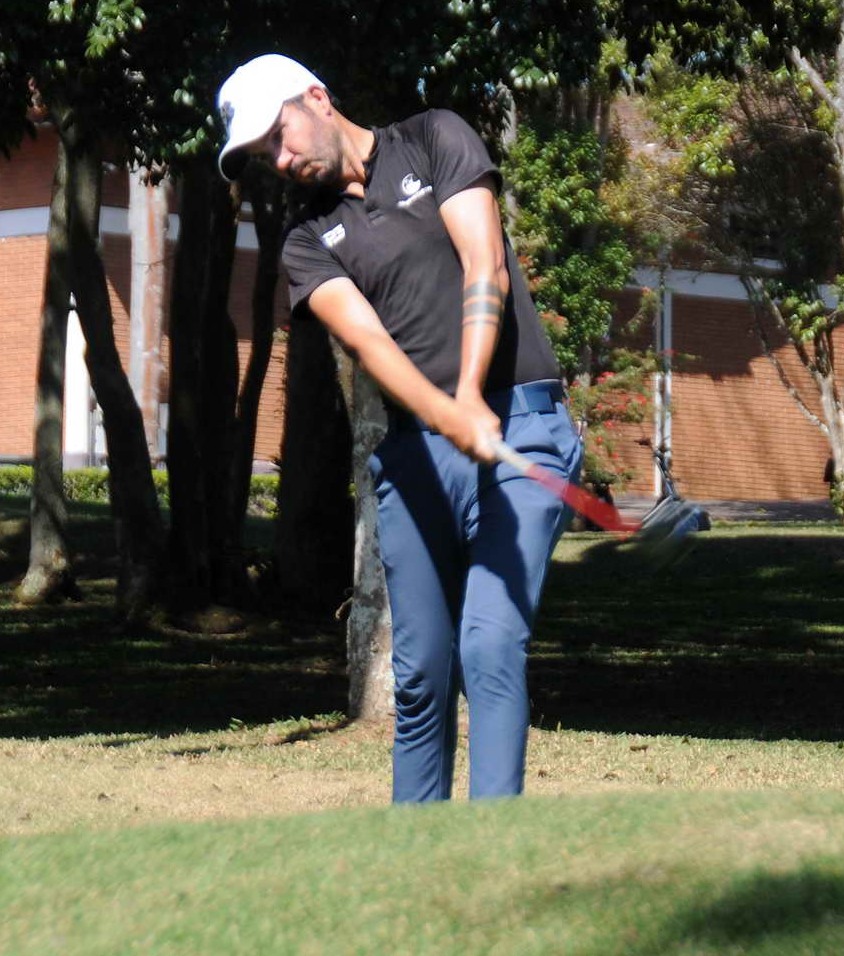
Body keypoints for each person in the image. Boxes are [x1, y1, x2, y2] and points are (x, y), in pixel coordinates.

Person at [216, 53, 578, 801]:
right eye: (262, 155)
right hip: (418, 454)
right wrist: (447, 413)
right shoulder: (306, 241)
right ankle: (417, 853)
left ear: (317, 97)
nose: (278, 161)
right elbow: (373, 348)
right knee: (419, 678)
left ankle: (494, 845)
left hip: (520, 427)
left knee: (490, 645)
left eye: (278, 136)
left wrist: (469, 393)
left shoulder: (433, 138)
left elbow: (486, 265)